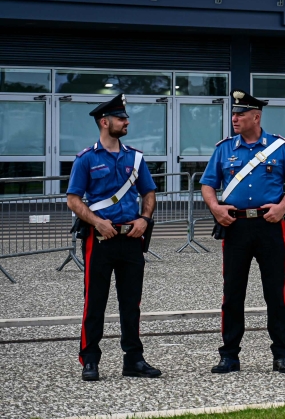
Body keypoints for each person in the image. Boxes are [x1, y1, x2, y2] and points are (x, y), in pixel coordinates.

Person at [200, 89, 285, 374]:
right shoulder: (224, 148)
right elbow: (207, 184)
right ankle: (229, 355)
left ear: (256, 117)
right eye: (234, 114)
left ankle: (282, 354)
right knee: (233, 292)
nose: (234, 118)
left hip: (269, 225)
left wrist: (283, 207)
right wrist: (216, 208)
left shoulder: (279, 147)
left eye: (241, 114)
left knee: (275, 291)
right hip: (235, 226)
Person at [66, 94, 161, 382]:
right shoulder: (86, 159)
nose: (126, 121)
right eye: (121, 118)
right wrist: (97, 222)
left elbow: (149, 192)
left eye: (126, 117)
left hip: (131, 238)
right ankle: (90, 360)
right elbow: (73, 199)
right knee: (95, 301)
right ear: (105, 122)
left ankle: (134, 360)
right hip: (100, 240)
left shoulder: (135, 157)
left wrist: (144, 219)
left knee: (131, 303)